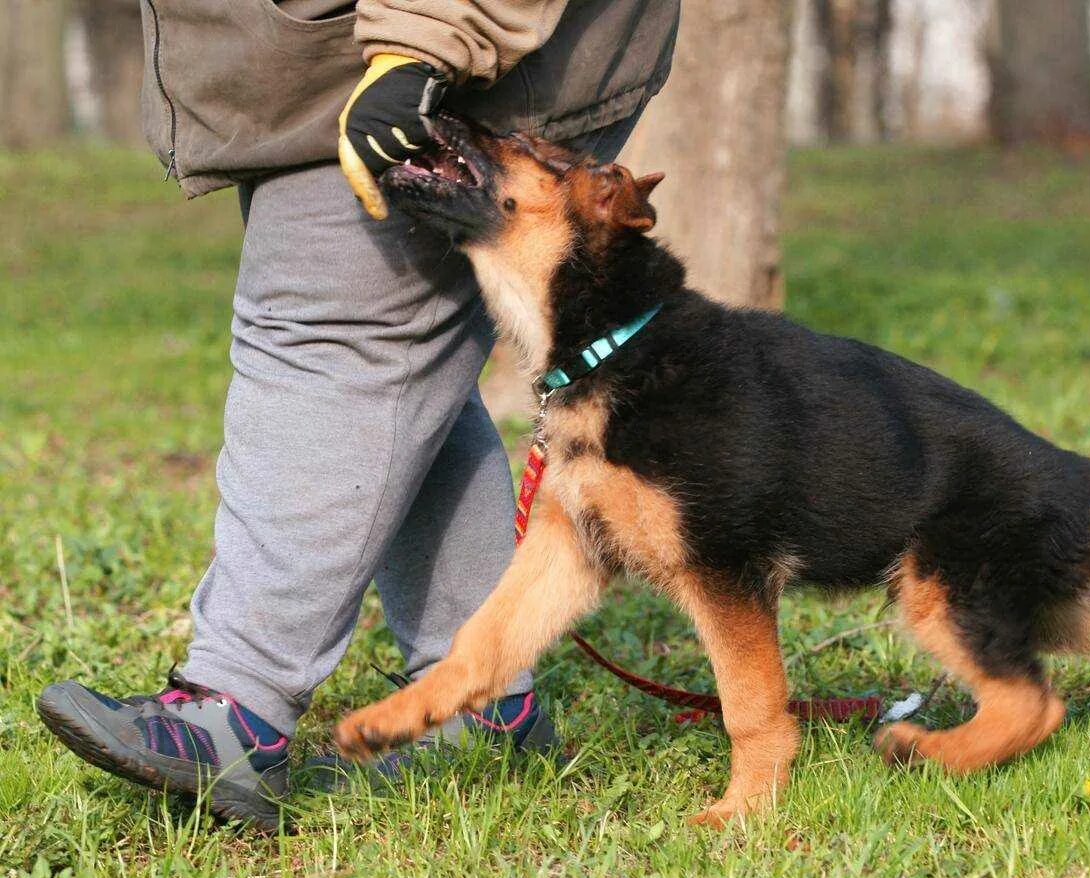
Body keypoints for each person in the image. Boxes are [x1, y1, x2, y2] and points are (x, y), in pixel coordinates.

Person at [36, 0, 680, 831]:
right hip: (331, 60)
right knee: (401, 375)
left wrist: (426, 42)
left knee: (339, 338)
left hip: (433, 50)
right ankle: (479, 707)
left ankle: (236, 708)